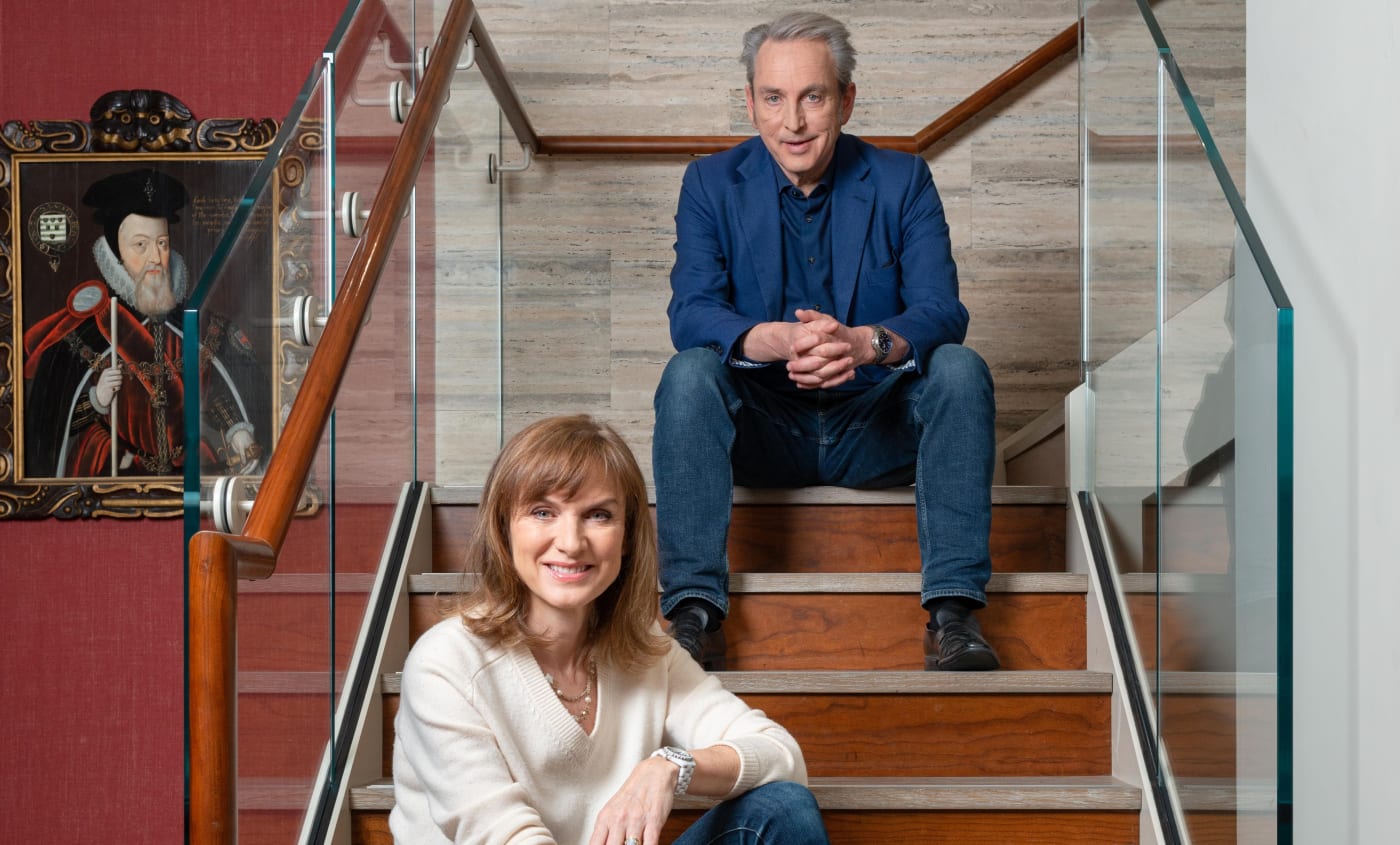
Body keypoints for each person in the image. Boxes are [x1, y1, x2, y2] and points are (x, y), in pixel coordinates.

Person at [653, 12, 999, 672]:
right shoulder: (709, 183)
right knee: (690, 373)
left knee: (959, 367)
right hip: (764, 427)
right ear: (750, 101)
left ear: (845, 99)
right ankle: (693, 611)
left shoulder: (904, 180)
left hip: (876, 424)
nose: (793, 123)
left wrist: (869, 343)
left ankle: (954, 614)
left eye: (812, 96)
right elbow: (691, 311)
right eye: (774, 98)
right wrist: (771, 339)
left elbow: (941, 311)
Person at [390, 415, 828, 845]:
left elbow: (782, 756)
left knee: (781, 808)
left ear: (627, 535)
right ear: (504, 528)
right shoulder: (446, 663)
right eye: (543, 512)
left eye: (598, 515)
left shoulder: (646, 652)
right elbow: (501, 835)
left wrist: (670, 765)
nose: (571, 542)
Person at [22, 167, 261, 478]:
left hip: (188, 470)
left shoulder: (201, 325)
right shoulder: (86, 331)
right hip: (112, 470)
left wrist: (235, 429)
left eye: (162, 243)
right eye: (140, 245)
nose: (154, 257)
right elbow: (49, 422)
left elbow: (211, 388)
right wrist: (97, 400)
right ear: (116, 253)